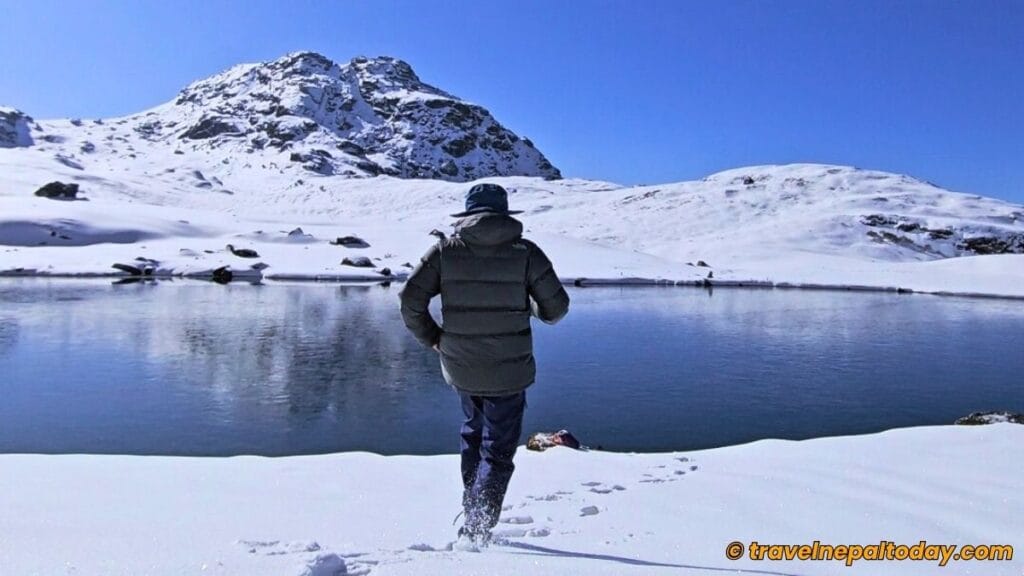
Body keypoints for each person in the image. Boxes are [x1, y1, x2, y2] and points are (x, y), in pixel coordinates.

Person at [399, 182, 570, 546]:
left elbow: (410, 302)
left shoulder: (445, 252)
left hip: (461, 367)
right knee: (498, 449)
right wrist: (531, 307)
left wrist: (434, 338)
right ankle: (478, 526)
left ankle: (472, 508)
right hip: (510, 372)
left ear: (468, 215)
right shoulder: (526, 253)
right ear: (505, 215)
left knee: (473, 435)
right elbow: (556, 309)